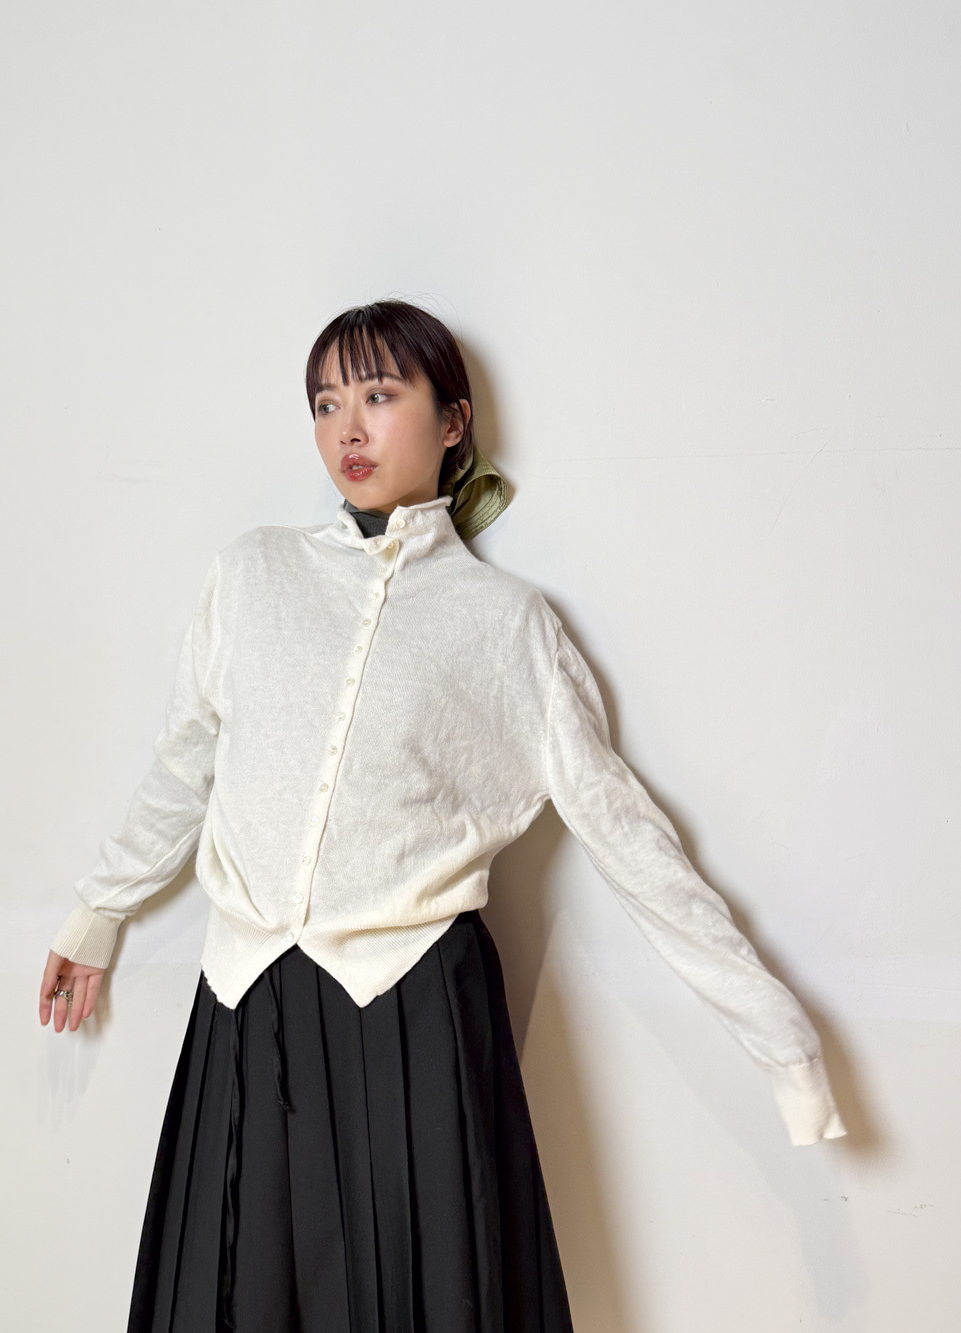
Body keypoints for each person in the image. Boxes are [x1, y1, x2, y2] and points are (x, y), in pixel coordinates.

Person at [41, 298, 846, 1331]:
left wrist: (782, 1043)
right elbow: (183, 765)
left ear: (453, 420)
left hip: (411, 1017)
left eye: (379, 395)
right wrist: (98, 912)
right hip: (244, 1004)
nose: (348, 428)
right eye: (325, 403)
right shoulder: (250, 576)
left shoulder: (507, 626)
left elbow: (630, 840)